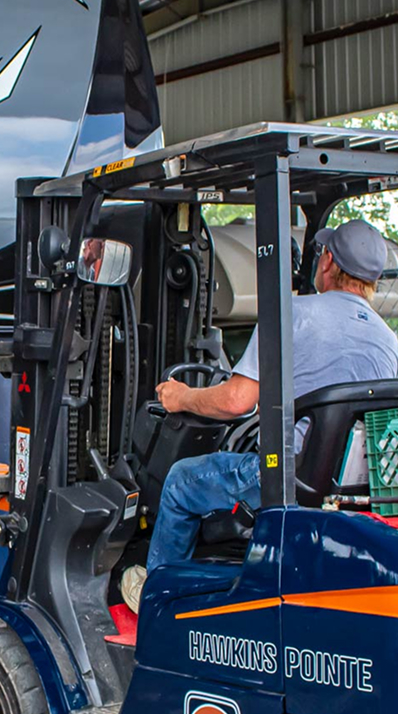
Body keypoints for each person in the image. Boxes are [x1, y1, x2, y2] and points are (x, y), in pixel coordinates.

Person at [121, 219, 398, 614]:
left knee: (182, 481)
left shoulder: (295, 313)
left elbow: (237, 401)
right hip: (352, 491)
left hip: (287, 479)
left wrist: (183, 397)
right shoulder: (389, 341)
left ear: (328, 261)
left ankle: (157, 596)